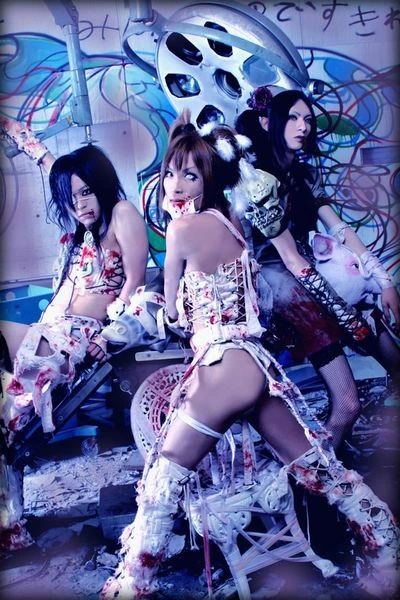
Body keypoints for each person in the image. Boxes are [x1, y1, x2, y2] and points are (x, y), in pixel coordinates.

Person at [100, 110, 399, 600]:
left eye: (189, 175)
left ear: (208, 179)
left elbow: (172, 313)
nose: (174, 185)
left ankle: (132, 588)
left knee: (160, 484)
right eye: (170, 173)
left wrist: (149, 306)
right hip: (253, 364)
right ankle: (387, 548)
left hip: (223, 367)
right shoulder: (234, 224)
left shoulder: (181, 230)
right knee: (318, 468)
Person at [0, 119, 152, 552]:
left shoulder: (121, 214)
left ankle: (10, 528)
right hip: (52, 330)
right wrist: (22, 137)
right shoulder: (83, 233)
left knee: (8, 414)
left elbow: (135, 285)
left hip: (79, 338)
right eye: (71, 198)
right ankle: (10, 522)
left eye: (86, 192)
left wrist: (112, 335)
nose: (79, 203)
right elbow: (58, 170)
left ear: (101, 185)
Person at [234, 87, 400, 450]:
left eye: (308, 119)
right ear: (268, 123)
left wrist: (383, 280)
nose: (303, 126)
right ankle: (321, 473)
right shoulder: (255, 180)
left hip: (308, 275)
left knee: (374, 322)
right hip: (278, 289)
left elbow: (339, 228)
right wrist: (339, 307)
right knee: (347, 405)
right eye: (293, 118)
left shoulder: (304, 175)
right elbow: (285, 259)